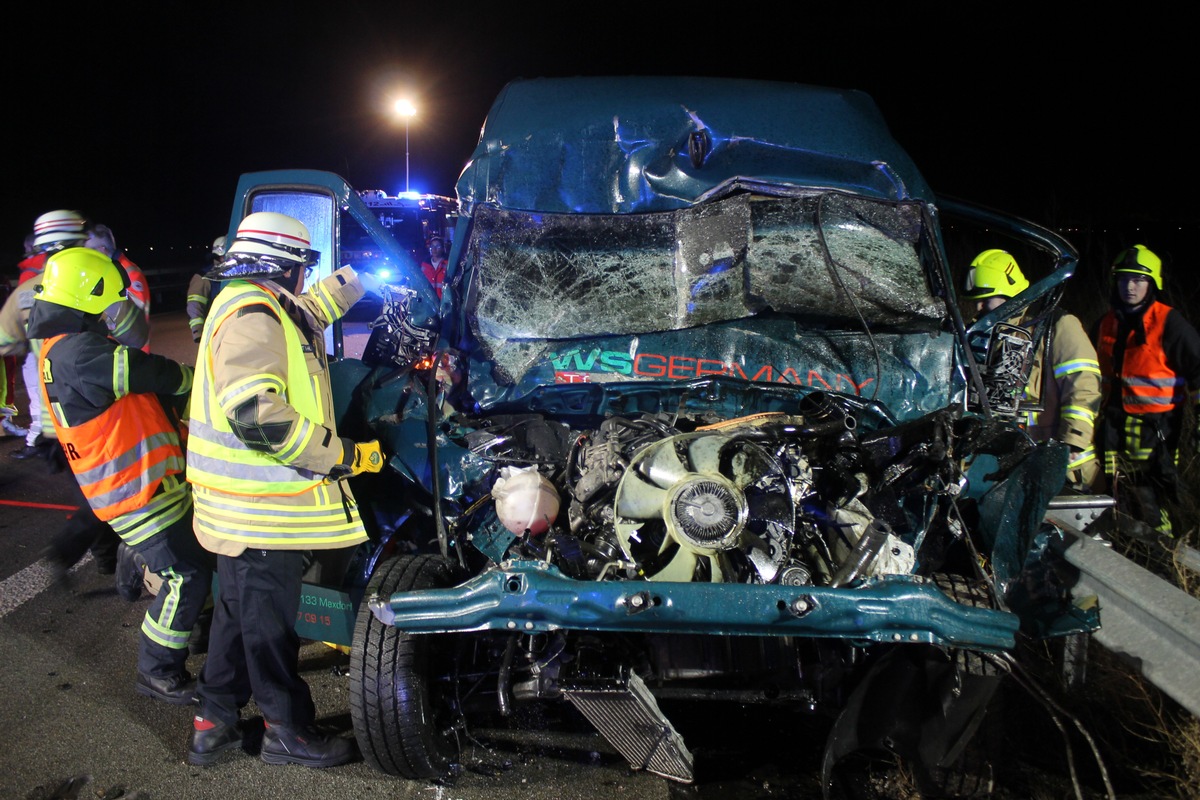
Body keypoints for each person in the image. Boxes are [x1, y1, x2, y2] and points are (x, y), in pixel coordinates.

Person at [185, 211, 383, 767]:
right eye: (301, 267)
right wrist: (341, 456)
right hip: (260, 509)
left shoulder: (259, 302)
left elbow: (307, 314)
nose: (303, 278)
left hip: (237, 509)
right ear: (283, 266)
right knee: (269, 626)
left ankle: (214, 722)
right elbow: (258, 416)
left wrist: (361, 278)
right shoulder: (254, 314)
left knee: (236, 615)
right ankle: (287, 731)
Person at [27, 246, 214, 704]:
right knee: (185, 577)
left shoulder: (66, 345)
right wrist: (194, 381)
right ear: (86, 294)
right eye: (107, 300)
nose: (113, 311)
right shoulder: (77, 351)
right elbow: (143, 369)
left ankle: (184, 620)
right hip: (137, 493)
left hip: (145, 488)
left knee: (200, 563)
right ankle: (158, 670)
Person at [963, 249, 1102, 491]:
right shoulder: (980, 335)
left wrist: (1071, 443)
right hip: (1008, 468)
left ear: (1011, 293)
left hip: (1064, 470)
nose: (979, 306)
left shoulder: (1055, 326)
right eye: (976, 299)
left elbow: (1084, 385)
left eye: (987, 298)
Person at [1092, 244, 1200, 540]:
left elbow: (1198, 370)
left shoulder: (1170, 323)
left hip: (1157, 429)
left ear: (1152, 284)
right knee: (1112, 487)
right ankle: (1119, 541)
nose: (1130, 286)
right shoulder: (1106, 323)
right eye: (1124, 279)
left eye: (1139, 280)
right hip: (1113, 424)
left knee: (1153, 495)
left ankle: (1162, 552)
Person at [10, 210, 90, 460]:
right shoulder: (102, 282)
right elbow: (134, 335)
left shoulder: (25, 290)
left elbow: (4, 341)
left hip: (55, 420)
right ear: (81, 241)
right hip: (100, 407)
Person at [84, 223, 151, 352]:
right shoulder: (114, 270)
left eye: (90, 251)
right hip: (121, 347)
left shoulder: (128, 272)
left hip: (134, 350)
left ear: (103, 249)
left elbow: (135, 311)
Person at [186, 235, 225, 343]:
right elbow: (194, 304)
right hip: (213, 331)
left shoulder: (237, 273)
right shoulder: (203, 277)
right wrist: (198, 331)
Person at [419, 235, 448, 299]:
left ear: (443, 248)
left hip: (442, 304)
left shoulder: (447, 266)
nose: (434, 249)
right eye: (432, 246)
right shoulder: (424, 266)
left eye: (438, 246)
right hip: (429, 305)